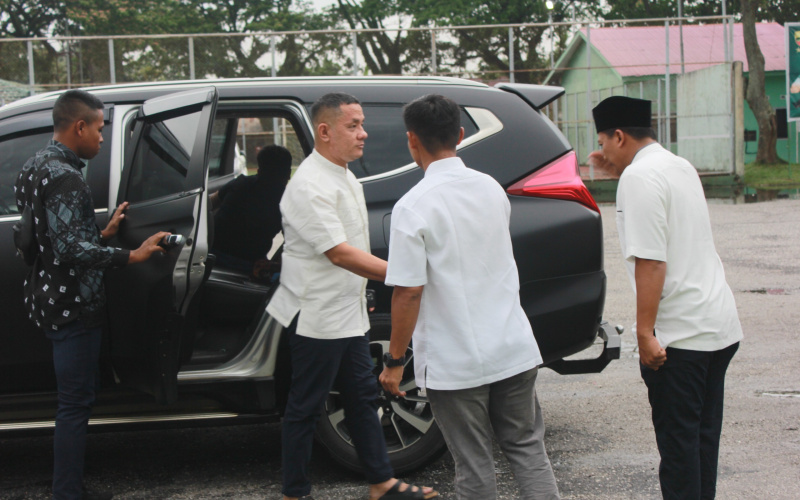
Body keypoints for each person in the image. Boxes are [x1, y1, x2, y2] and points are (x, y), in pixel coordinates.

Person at [379, 94, 561, 500]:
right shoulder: (491, 188)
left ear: (412, 140)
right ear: (460, 135)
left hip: (455, 359)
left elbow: (408, 292)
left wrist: (394, 362)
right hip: (511, 346)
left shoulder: (413, 206)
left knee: (474, 462)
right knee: (528, 450)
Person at [265, 92, 438, 500]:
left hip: (347, 312)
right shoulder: (309, 185)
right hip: (316, 316)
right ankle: (295, 493)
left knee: (362, 396)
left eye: (362, 124)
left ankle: (381, 482)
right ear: (324, 131)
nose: (364, 134)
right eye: (353, 126)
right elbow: (339, 253)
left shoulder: (342, 173)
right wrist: (407, 276)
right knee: (305, 407)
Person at [13, 89, 169, 500]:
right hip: (74, 305)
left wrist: (100, 234)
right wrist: (130, 254)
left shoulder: (34, 167)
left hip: (48, 297)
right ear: (79, 126)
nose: (102, 138)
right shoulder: (66, 176)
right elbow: (67, 250)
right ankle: (68, 492)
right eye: (99, 129)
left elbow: (48, 238)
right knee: (74, 404)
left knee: (73, 400)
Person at [588, 95, 743, 499]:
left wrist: (644, 333)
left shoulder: (639, 179)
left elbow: (651, 263)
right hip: (718, 325)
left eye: (603, 142)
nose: (600, 151)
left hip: (680, 338)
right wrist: (617, 168)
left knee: (678, 453)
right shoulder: (679, 165)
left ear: (619, 136)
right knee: (701, 443)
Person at [210, 144, 292, 275]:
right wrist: (276, 265)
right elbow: (292, 243)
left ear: (259, 170)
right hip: (250, 265)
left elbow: (209, 203)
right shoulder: (287, 203)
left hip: (213, 255)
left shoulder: (240, 183)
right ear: (288, 174)